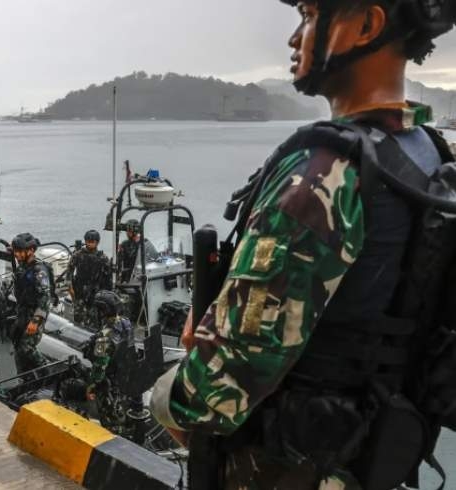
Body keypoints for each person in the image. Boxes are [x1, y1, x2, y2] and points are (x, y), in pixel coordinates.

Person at [151, 2, 456, 489]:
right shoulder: (427, 154)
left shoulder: (322, 176)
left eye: (310, 15)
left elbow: (219, 388)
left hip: (286, 468)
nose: (296, 38)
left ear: (366, 25)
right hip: (373, 453)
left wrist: (165, 399)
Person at [85, 290, 134, 437]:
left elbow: (101, 364)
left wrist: (92, 385)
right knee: (123, 410)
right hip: (125, 375)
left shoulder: (103, 338)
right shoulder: (125, 322)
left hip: (110, 382)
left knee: (111, 420)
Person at [10, 233, 51, 373]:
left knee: (26, 347)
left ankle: (47, 369)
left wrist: (35, 321)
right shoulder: (22, 266)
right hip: (23, 311)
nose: (17, 254)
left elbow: (45, 298)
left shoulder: (39, 271)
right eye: (15, 251)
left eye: (20, 251)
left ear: (31, 251)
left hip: (35, 313)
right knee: (17, 343)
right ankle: (23, 376)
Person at [67, 230, 112, 327]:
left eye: (93, 241)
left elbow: (108, 279)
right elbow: (69, 272)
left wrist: (107, 295)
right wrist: (70, 288)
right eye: (88, 241)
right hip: (79, 292)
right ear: (85, 241)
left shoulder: (103, 258)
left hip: (95, 293)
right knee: (78, 319)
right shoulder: (77, 255)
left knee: (94, 320)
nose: (90, 243)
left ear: (97, 242)